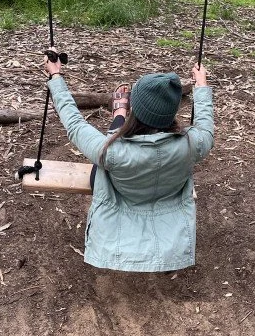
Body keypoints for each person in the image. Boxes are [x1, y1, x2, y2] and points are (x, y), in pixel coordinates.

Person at [45, 55, 214, 272]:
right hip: (166, 195)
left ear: (137, 110)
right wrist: (201, 84)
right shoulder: (193, 144)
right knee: (112, 148)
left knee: (107, 153)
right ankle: (119, 117)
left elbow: (74, 124)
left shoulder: (111, 151)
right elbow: (205, 123)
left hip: (123, 194)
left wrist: (56, 75)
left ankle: (119, 116)